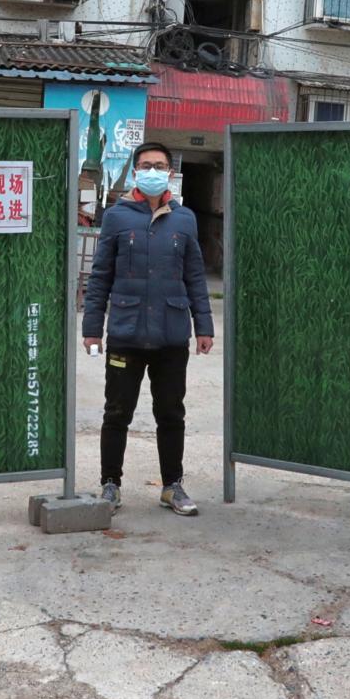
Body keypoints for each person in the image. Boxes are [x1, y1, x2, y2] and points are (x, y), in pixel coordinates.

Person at [81, 141, 214, 515]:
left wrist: (203, 325)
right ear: (136, 171)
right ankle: (111, 484)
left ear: (170, 173)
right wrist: (93, 329)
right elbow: (100, 275)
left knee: (171, 412)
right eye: (145, 165)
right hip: (126, 332)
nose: (152, 171)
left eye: (159, 165)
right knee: (117, 412)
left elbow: (195, 277)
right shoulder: (118, 217)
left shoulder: (184, 218)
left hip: (172, 334)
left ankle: (172, 486)